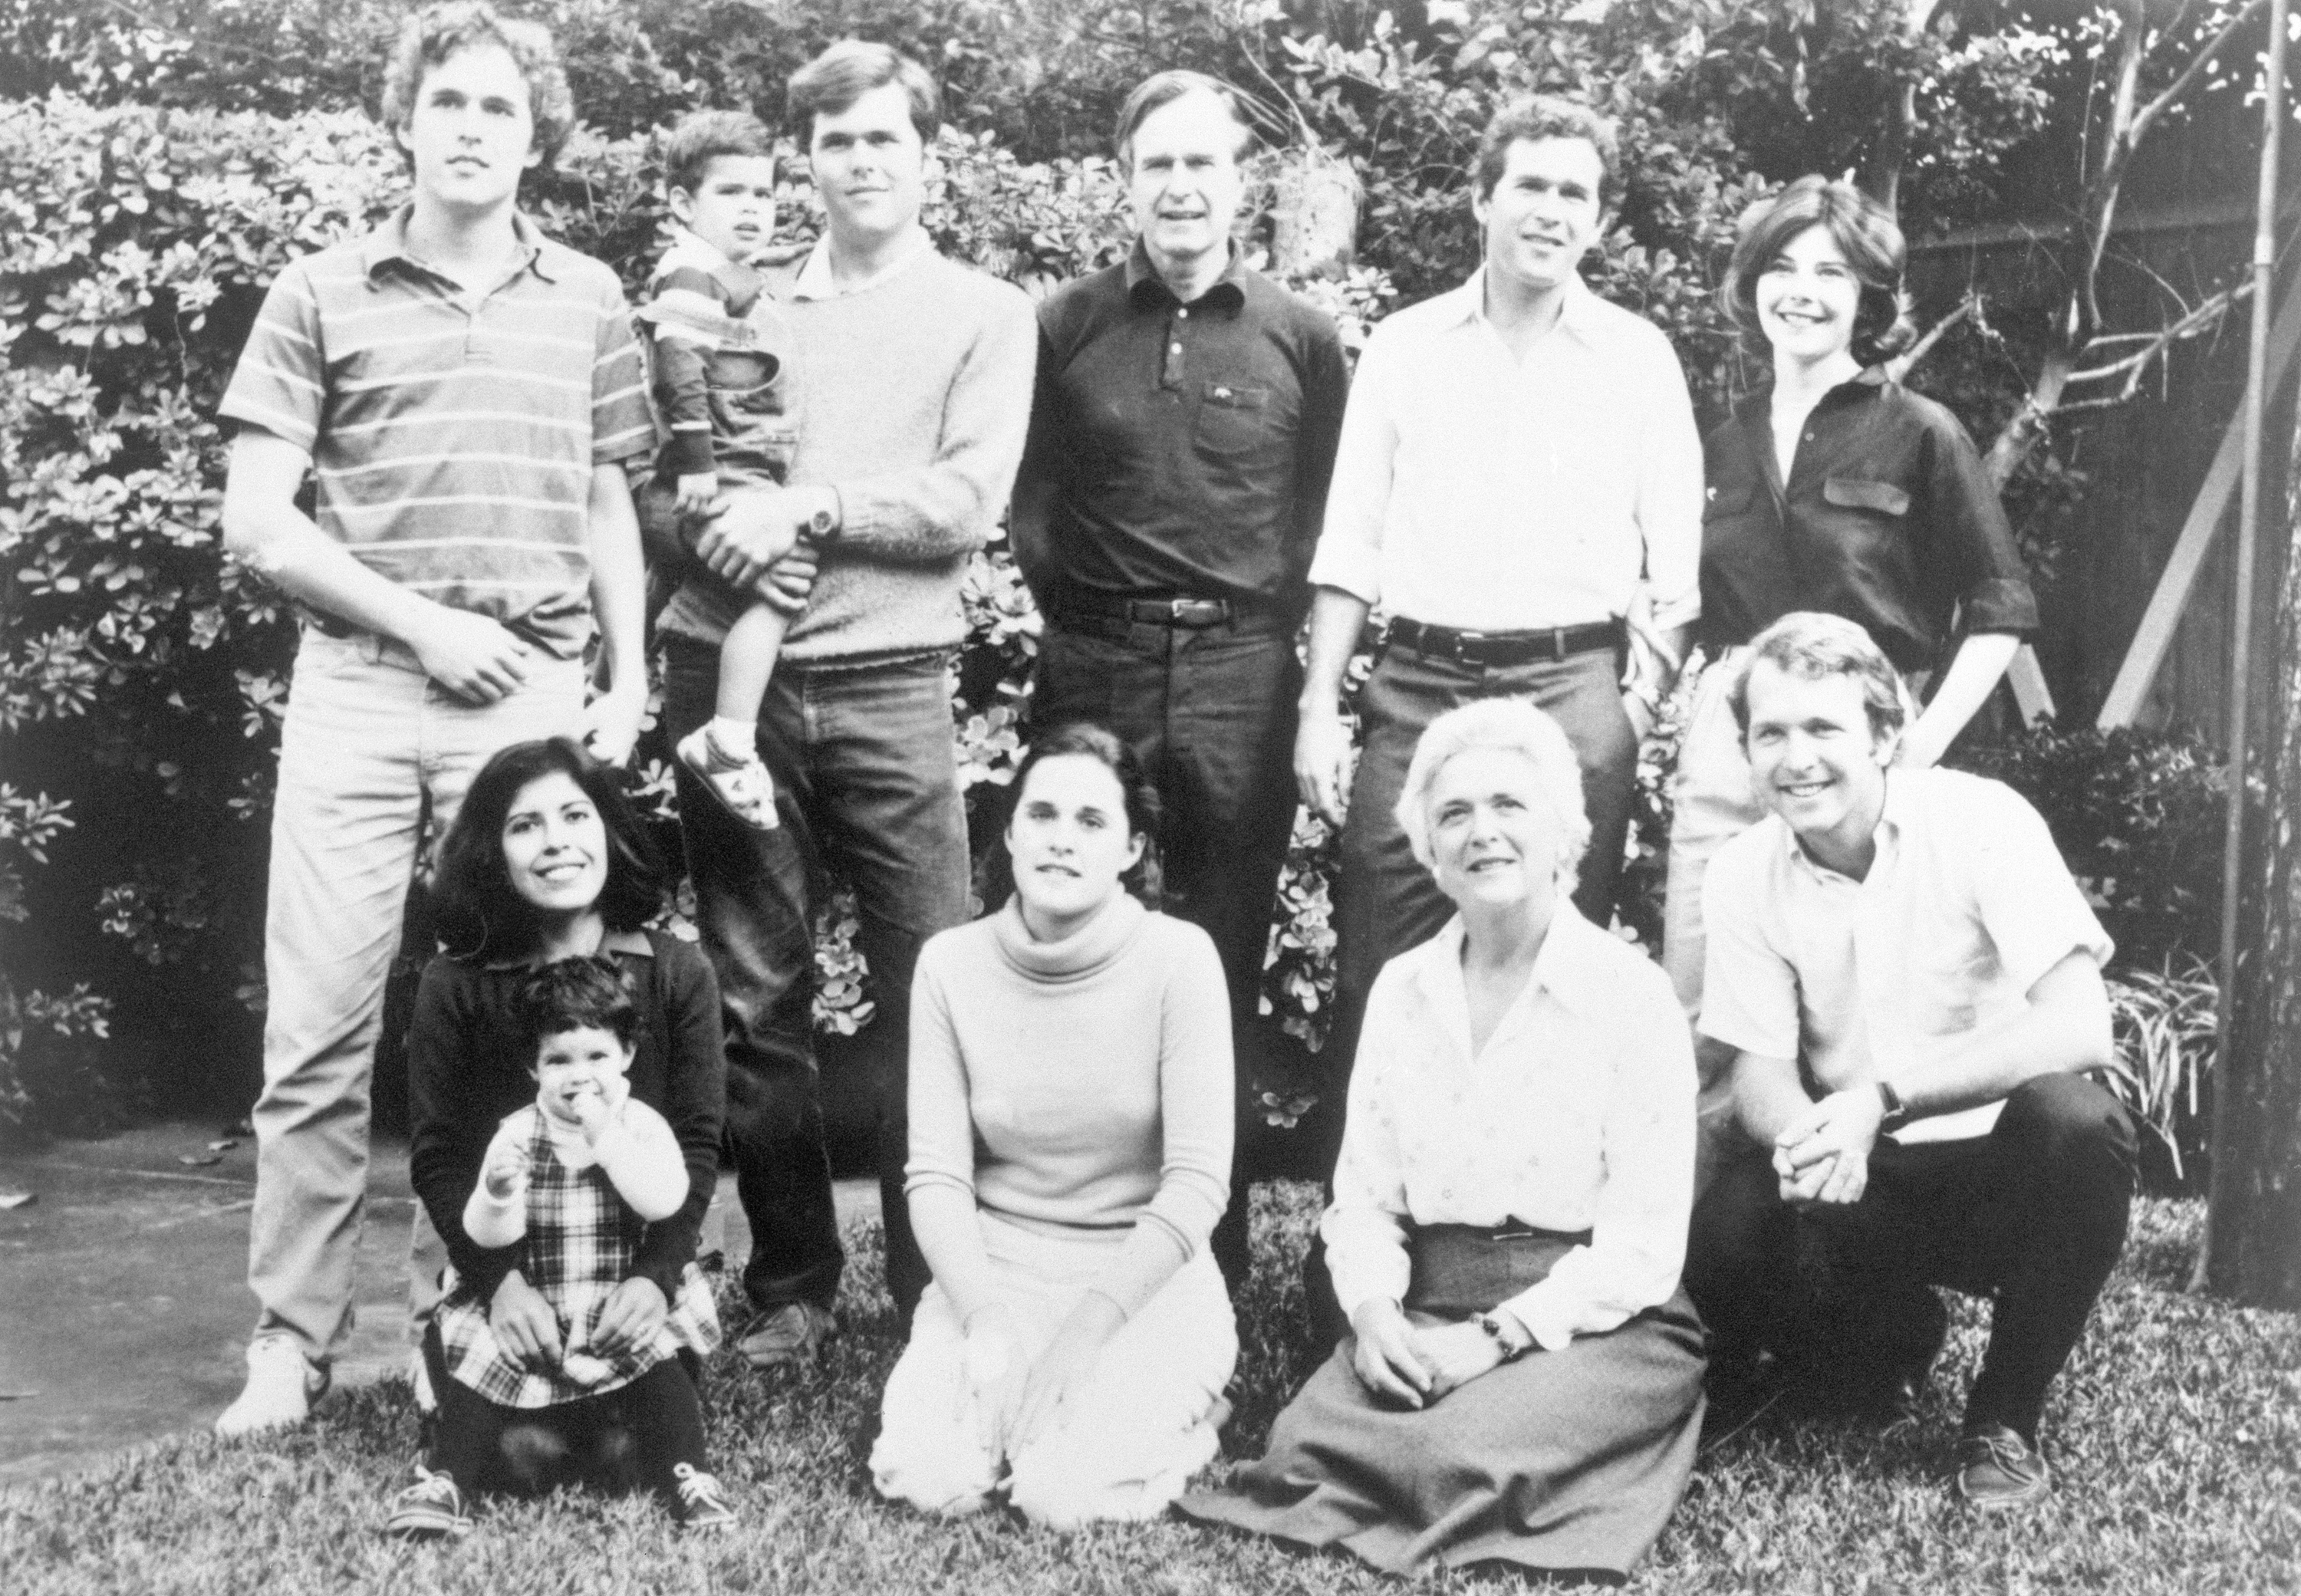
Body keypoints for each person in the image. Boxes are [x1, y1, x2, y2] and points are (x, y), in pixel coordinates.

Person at [213, 1, 655, 1435]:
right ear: (405, 120)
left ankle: (459, 1314)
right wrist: (422, 626)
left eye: (499, 108)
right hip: (359, 689)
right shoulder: (319, 290)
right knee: (318, 1033)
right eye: (448, 102)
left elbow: (607, 498)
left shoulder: (588, 295)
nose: (472, 129)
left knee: (509, 1022)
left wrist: (628, 680)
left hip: (525, 695)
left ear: (538, 137)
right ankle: (291, 1341)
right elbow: (258, 521)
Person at [1289, 92, 1702, 1341]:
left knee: (1554, 973)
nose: (1552, 211)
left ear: (1600, 220)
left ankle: (1547, 1269)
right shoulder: (1408, 346)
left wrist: (1633, 703)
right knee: (1383, 972)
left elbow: (1674, 570)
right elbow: (1350, 541)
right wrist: (1321, 708)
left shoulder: (1636, 356)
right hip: (1419, 680)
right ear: (1482, 197)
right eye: (1531, 184)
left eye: (1577, 193)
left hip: (1573, 684)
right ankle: (1364, 1277)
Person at [652, 40, 1036, 1367]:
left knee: (937, 979)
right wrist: (718, 534)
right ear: (803, 161)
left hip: (890, 681)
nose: (863, 162)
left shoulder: (985, 312)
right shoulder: (735, 298)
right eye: (836, 141)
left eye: (886, 138)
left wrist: (809, 506)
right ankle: (794, 1284)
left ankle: (939, 1285)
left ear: (929, 155)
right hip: (728, 684)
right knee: (754, 991)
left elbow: (961, 504)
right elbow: (662, 480)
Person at [1181, 699, 1704, 1580]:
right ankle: (1439, 1443)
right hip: (1432, 1298)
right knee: (1303, 1438)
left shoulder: (1631, 993)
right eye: (1454, 812)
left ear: (1563, 830)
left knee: (1452, 1452)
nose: (1482, 831)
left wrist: (1497, 1337)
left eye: (1509, 805)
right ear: (1428, 845)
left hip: (1595, 1316)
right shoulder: (1401, 989)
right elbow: (1365, 1199)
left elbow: (1646, 1245)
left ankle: (1496, 1451)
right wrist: (1374, 1316)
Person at [1011, 69, 1349, 1295]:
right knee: (1072, 937)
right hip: (1092, 663)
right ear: (1125, 180)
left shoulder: (1301, 337)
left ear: (1242, 180)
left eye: (1204, 162)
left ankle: (1206, 1251)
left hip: (1238, 674)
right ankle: (1066, 1226)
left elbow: (1324, 520)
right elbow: (1031, 501)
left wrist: (1255, 638)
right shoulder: (1063, 326)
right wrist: (1092, 617)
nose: (1182, 186)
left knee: (1220, 953)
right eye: (1158, 163)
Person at [1684, 613, 2137, 1510]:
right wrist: (1810, 1141)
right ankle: (1889, 1334)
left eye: (1824, 727)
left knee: (2081, 1125)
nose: (1797, 758)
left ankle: (2003, 1416)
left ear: (1885, 734)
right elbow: (1760, 1073)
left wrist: (1879, 1100)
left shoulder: (1979, 819)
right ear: (1746, 751)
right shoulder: (1742, 871)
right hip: (1869, 1176)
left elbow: (2081, 1025)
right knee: (1732, 1229)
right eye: (1771, 733)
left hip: (2002, 1166)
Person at [1665, 177, 2038, 1180]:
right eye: (1782, 267)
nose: (1803, 290)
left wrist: (1918, 743)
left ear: (1868, 296)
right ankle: (1701, 1251)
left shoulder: (1921, 431)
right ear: (1752, 285)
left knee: (1854, 1000)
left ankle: (1858, 1228)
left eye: (1830, 272)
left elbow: (2000, 608)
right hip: (1734, 736)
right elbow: (1677, 603)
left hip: (1865, 740)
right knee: (1704, 1010)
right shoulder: (1718, 442)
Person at [870, 724, 1237, 1529]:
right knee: (931, 1479)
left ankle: (1199, 1425)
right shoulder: (950, 964)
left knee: (1061, 1497)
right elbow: (936, 1175)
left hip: (1142, 1284)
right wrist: (985, 1321)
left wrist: (1083, 1336)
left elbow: (1199, 1182)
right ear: (1009, 833)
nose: (1061, 839)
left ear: (1132, 848)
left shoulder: (1180, 958)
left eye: (1091, 821)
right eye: (1041, 815)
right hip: (1001, 1267)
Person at [393, 738, 729, 1536]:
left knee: (626, 1447)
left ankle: (676, 1461)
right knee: (516, 1455)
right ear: (492, 850)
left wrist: (654, 1279)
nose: (556, 843)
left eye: (576, 816)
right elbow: (438, 1156)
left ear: (608, 830)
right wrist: (500, 1285)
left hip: (628, 1265)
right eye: (525, 825)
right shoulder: (454, 983)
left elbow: (696, 1147)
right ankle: (448, 1472)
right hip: (514, 1263)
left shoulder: (676, 970)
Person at [635, 110, 804, 831]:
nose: (752, 209)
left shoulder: (723, 274)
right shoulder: (689, 271)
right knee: (789, 576)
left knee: (669, 584)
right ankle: (729, 739)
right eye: (731, 193)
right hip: (716, 463)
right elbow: (679, 364)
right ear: (682, 204)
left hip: (727, 460)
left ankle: (614, 676)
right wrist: (699, 463)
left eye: (763, 194)